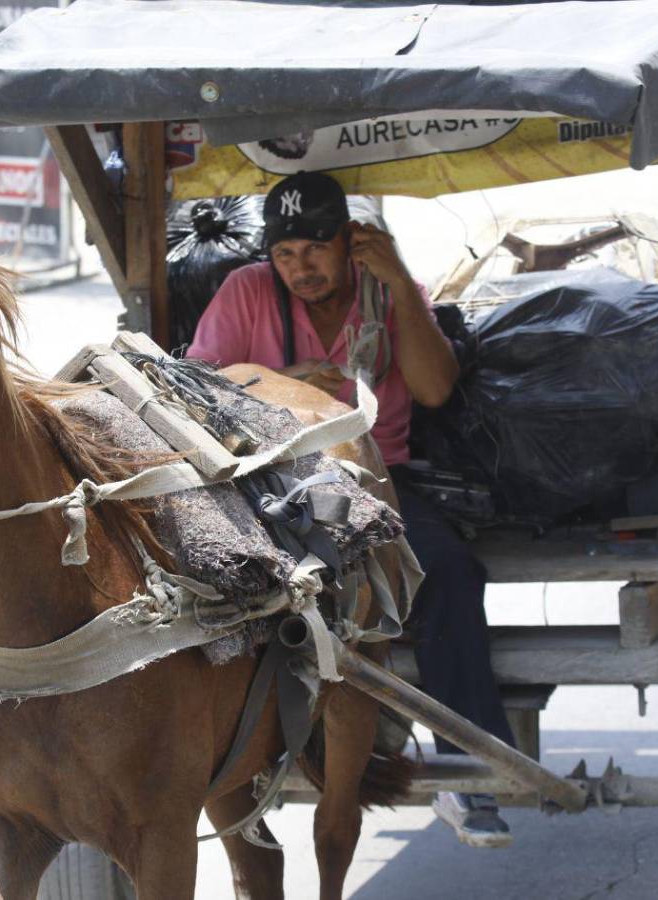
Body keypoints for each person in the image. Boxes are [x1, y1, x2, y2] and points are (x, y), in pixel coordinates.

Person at [187, 172, 515, 848]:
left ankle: (469, 770)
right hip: (265, 485)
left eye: (316, 249)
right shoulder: (245, 292)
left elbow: (433, 389)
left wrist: (398, 286)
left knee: (451, 575)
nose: (302, 268)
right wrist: (285, 386)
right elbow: (195, 392)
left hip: (375, 480)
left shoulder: (387, 292)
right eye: (286, 255)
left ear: (350, 241)